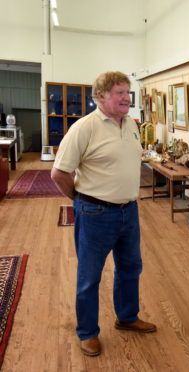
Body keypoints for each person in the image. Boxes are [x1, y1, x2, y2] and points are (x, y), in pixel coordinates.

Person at [51, 71, 156, 357]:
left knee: (130, 268)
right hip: (95, 213)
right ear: (101, 97)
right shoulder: (84, 128)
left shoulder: (132, 125)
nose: (126, 98)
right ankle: (87, 332)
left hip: (129, 211)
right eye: (119, 92)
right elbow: (59, 173)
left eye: (127, 92)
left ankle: (127, 317)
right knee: (90, 276)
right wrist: (80, 200)